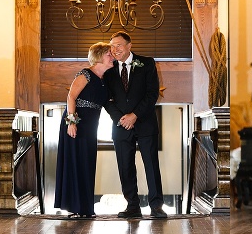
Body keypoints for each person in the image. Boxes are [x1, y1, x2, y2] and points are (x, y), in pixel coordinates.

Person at [103, 31, 167, 219]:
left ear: (129, 46)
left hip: (145, 123)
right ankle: (132, 205)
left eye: (119, 45)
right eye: (112, 46)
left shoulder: (147, 63)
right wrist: (122, 118)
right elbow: (106, 99)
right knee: (125, 166)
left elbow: (152, 93)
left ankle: (156, 206)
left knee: (151, 165)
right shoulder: (108, 68)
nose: (115, 49)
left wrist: (135, 115)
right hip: (121, 125)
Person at [54, 42, 115, 218]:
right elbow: (71, 97)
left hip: (91, 126)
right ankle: (75, 207)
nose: (112, 57)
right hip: (77, 124)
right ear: (99, 56)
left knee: (87, 163)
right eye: (109, 54)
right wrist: (71, 122)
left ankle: (86, 209)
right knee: (76, 162)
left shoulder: (105, 80)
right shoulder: (86, 74)